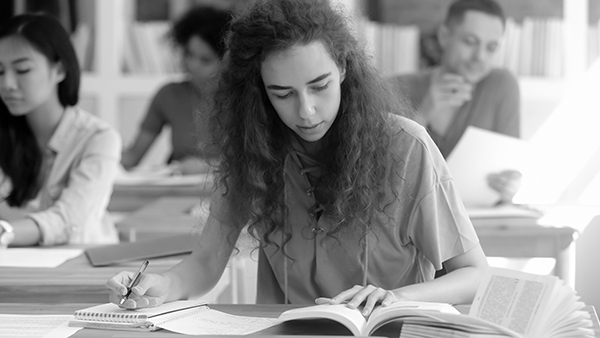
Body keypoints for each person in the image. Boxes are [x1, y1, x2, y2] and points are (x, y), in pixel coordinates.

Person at [107, 0, 488, 315]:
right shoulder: (252, 149)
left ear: (342, 67)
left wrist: (397, 298)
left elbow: (474, 275)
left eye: (319, 86)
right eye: (282, 94)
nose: (306, 111)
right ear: (260, 91)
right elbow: (206, 263)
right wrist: (159, 285)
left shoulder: (407, 148)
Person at [0, 13, 121, 246]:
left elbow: (69, 221)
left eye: (23, 70)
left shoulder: (98, 138)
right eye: (0, 72)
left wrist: (6, 231)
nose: (7, 85)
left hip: (80, 272)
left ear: (60, 70)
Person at [388, 0, 521, 204]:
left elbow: (511, 171)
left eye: (491, 47)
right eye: (470, 41)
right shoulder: (396, 88)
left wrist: (510, 185)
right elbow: (383, 172)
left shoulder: (501, 86)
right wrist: (423, 113)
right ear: (444, 36)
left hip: (478, 222)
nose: (480, 57)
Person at [120, 6, 230, 175]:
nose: (193, 64)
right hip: (178, 192)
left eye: (205, 60)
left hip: (231, 193)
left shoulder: (245, 98)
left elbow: (260, 163)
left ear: (227, 62)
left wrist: (206, 166)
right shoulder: (168, 95)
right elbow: (132, 157)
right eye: (188, 54)